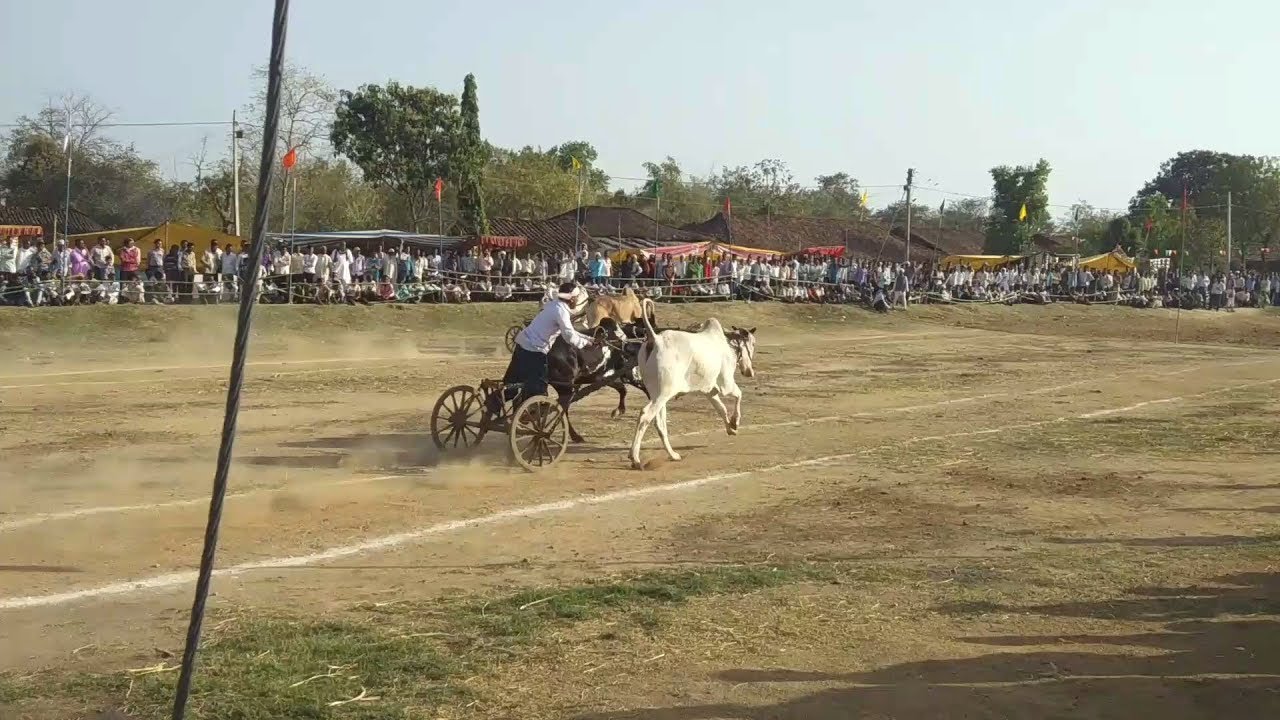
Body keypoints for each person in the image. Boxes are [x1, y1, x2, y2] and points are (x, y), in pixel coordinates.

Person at [489, 281, 597, 416]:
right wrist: (586, 344)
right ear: (572, 298)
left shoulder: (553, 305)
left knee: (512, 383)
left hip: (522, 345)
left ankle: (492, 403)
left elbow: (570, 331)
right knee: (539, 386)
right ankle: (531, 412)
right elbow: (569, 336)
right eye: (576, 298)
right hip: (534, 350)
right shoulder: (561, 311)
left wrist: (589, 339)